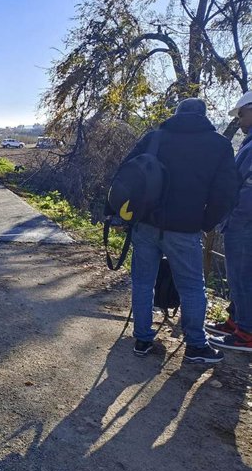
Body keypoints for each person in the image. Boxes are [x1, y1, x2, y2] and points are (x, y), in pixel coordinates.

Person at [107, 98, 238, 362]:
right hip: (185, 228)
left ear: (176, 114)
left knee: (143, 283)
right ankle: (196, 346)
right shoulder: (219, 145)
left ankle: (142, 339)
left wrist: (123, 214)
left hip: (145, 224)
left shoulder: (155, 138)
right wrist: (205, 221)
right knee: (191, 287)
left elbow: (125, 175)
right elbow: (226, 193)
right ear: (204, 115)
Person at [208, 92, 252, 352]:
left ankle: (246, 332)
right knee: (238, 274)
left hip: (245, 222)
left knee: (242, 275)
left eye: (242, 114)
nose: (240, 120)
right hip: (241, 220)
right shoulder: (249, 141)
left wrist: (234, 214)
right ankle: (236, 321)